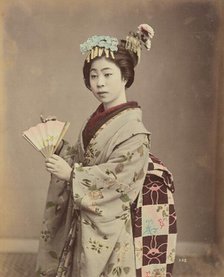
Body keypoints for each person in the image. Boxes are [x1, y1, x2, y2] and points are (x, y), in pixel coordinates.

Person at [36, 24, 177, 277]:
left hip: (112, 227)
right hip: (88, 217)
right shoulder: (97, 119)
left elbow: (119, 183)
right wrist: (58, 145)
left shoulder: (134, 130)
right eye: (93, 75)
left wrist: (72, 176)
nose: (99, 83)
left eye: (108, 75)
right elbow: (85, 159)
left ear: (125, 77)